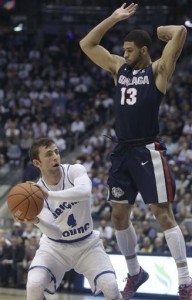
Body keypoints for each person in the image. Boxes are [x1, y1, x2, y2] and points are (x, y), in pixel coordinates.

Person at [79, 3, 192, 300]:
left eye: (130, 50)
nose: (124, 53)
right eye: (124, 50)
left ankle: (184, 281)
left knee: (162, 213)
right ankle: (135, 272)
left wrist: (159, 32)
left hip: (147, 149)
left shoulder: (158, 70)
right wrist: (114, 18)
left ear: (143, 50)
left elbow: (180, 32)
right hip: (121, 151)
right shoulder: (119, 68)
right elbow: (87, 44)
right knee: (118, 217)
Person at [16, 137, 123, 300]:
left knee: (111, 286)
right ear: (37, 163)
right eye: (49, 154)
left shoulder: (74, 171)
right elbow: (55, 232)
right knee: (34, 285)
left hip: (87, 244)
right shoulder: (36, 194)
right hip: (55, 247)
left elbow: (85, 191)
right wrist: (35, 221)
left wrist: (50, 194)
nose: (55, 157)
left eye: (56, 152)